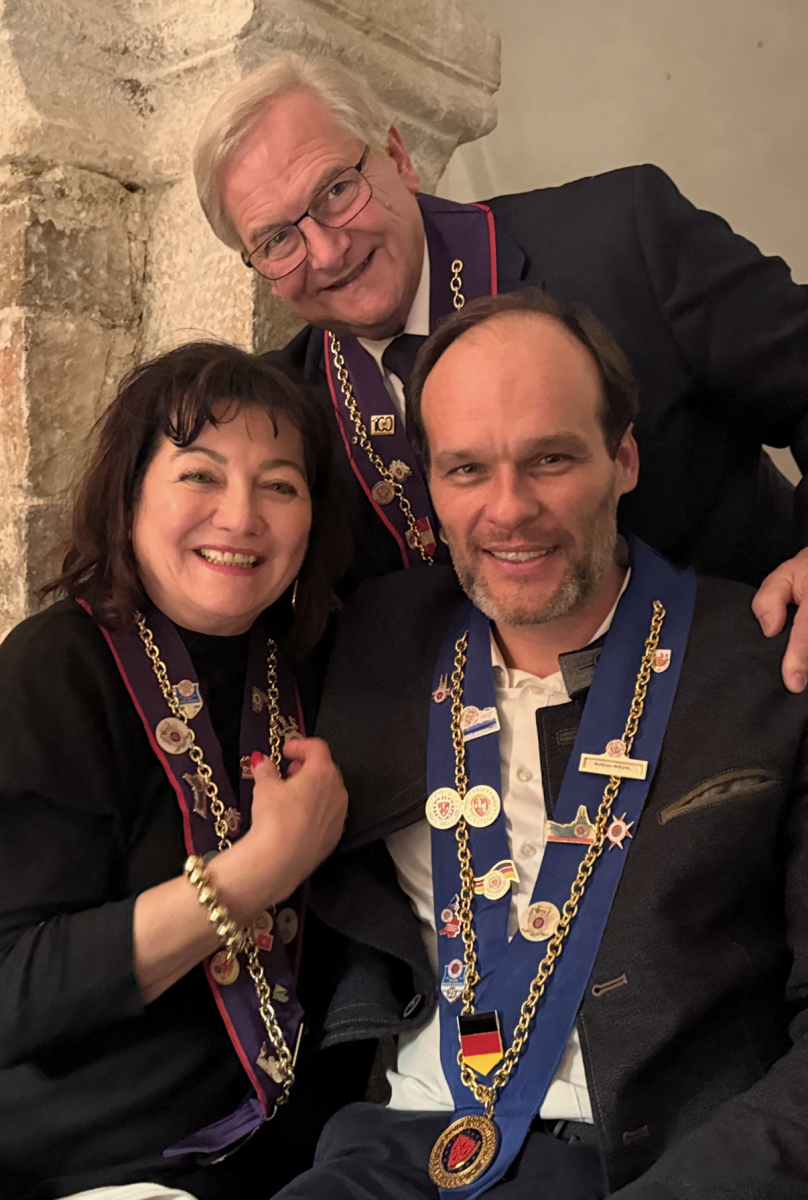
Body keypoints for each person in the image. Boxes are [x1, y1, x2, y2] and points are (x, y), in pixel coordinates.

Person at [268, 289, 808, 1198]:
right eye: (466, 469)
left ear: (623, 459)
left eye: (550, 459)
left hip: (652, 1163)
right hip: (397, 1149)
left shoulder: (771, 664)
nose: (508, 510)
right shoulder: (372, 641)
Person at [192, 51, 808, 691]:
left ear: (399, 158)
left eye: (336, 191)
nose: (325, 251)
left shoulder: (621, 238)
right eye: (276, 240)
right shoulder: (286, 411)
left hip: (758, 679)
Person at [0, 342, 369, 1200]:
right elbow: (11, 992)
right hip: (92, 1164)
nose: (240, 516)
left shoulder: (324, 664)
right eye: (200, 475)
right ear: (129, 494)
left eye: (280, 485)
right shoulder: (56, 670)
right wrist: (257, 874)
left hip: (295, 1155)